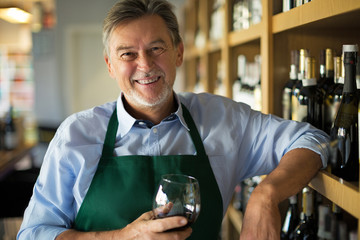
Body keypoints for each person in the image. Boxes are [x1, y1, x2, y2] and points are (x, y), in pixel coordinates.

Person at [17, 0, 330, 239]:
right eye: (127, 54)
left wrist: (266, 195)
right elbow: (32, 233)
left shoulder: (222, 120)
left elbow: (313, 140)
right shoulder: (77, 134)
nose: (145, 65)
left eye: (156, 48)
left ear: (178, 52)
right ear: (110, 65)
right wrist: (121, 237)